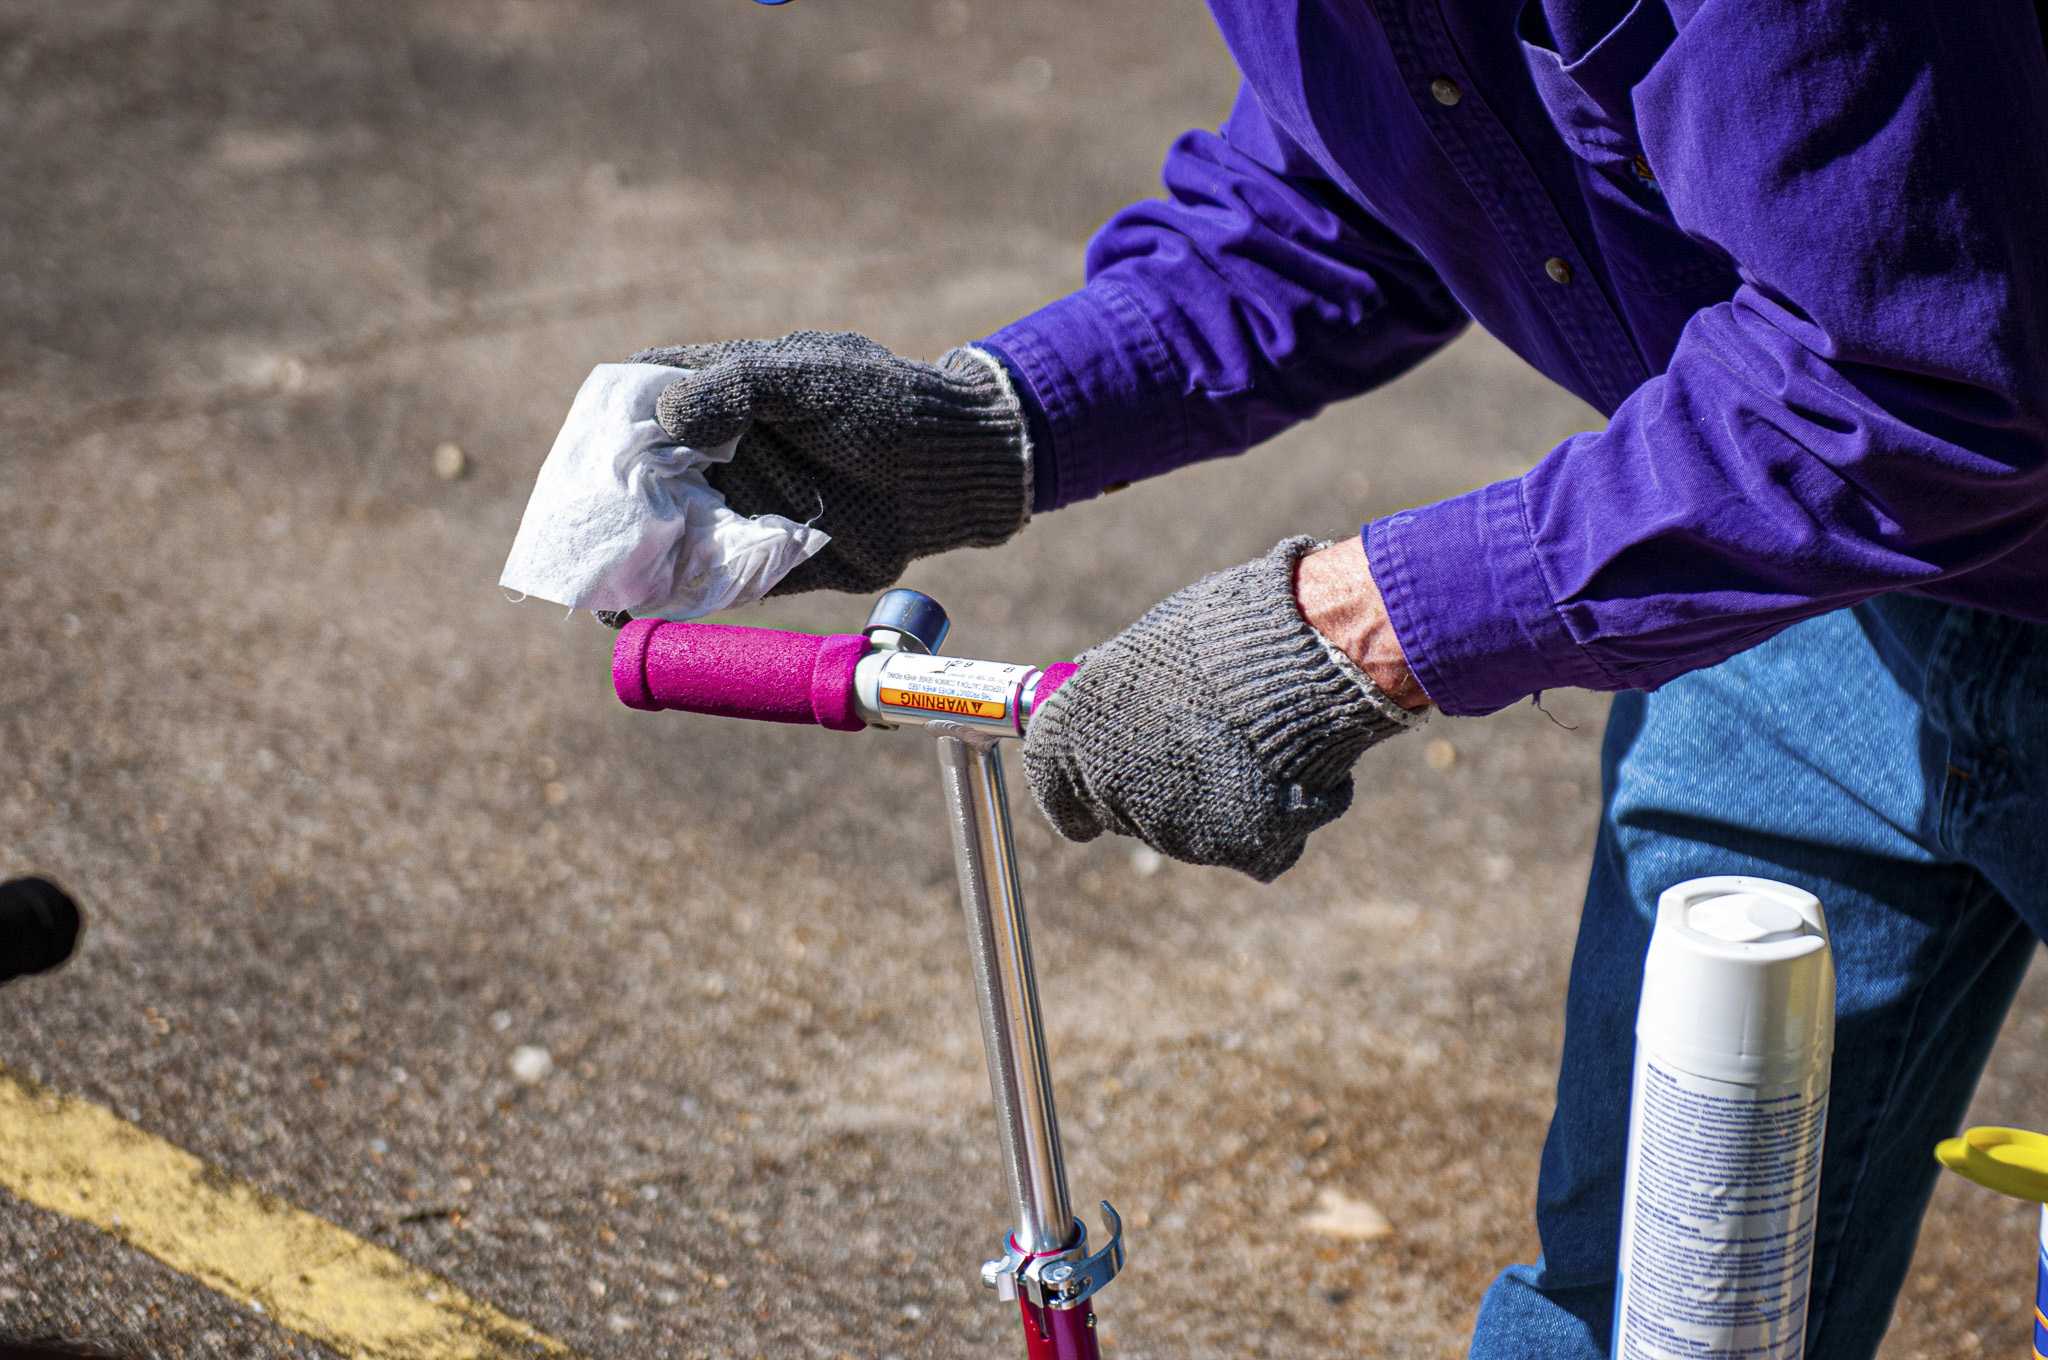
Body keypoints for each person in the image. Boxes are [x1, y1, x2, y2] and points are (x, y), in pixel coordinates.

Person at [631, 1, 2048, 1354]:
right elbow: (1353, 183)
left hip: (1864, 487)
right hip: (1813, 600)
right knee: (1648, 1300)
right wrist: (987, 426)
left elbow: (1911, 381)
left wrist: (1346, 631)